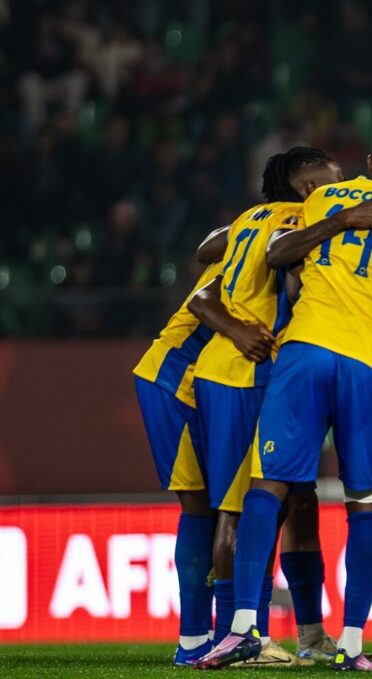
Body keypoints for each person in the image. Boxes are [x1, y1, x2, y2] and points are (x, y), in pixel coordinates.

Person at [196, 121, 372, 671]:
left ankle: (242, 629)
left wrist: (340, 222)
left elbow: (279, 256)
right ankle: (350, 644)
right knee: (363, 503)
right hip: (365, 364)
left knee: (267, 488)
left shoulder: (328, 197)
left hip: (303, 351)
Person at [188, 147, 344, 667]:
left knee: (296, 499)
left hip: (245, 369)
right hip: (245, 372)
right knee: (241, 507)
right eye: (332, 182)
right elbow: (289, 277)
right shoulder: (298, 222)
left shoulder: (251, 218)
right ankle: (236, 635)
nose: (341, 191)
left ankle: (307, 632)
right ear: (308, 189)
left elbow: (207, 249)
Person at [132, 262, 219, 666]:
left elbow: (209, 245)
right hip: (174, 381)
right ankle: (193, 640)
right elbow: (203, 301)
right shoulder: (256, 246)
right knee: (200, 507)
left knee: (213, 507)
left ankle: (211, 635)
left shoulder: (246, 241)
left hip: (192, 384)